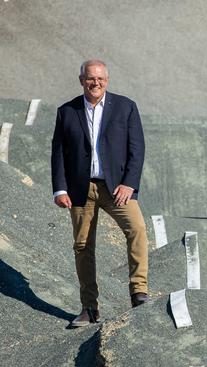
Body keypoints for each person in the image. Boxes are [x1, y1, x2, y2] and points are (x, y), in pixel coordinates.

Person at [51, 59, 149, 327]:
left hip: (116, 187)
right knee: (83, 246)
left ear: (107, 80)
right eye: (90, 79)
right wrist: (60, 189)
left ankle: (138, 292)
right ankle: (89, 308)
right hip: (80, 189)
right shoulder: (67, 111)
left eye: (100, 79)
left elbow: (137, 149)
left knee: (137, 229)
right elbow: (59, 153)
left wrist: (129, 183)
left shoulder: (125, 107)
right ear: (81, 79)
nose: (96, 83)